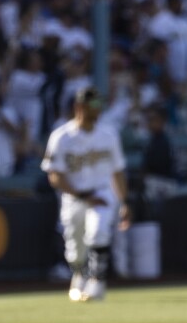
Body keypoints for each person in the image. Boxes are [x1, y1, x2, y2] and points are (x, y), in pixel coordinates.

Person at [41, 87, 129, 303]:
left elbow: (117, 171)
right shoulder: (61, 136)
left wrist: (125, 202)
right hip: (74, 196)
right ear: (79, 107)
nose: (97, 110)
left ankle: (97, 283)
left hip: (102, 192)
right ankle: (79, 276)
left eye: (99, 105)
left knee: (98, 232)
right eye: (93, 105)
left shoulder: (108, 134)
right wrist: (81, 195)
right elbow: (55, 176)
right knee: (75, 248)